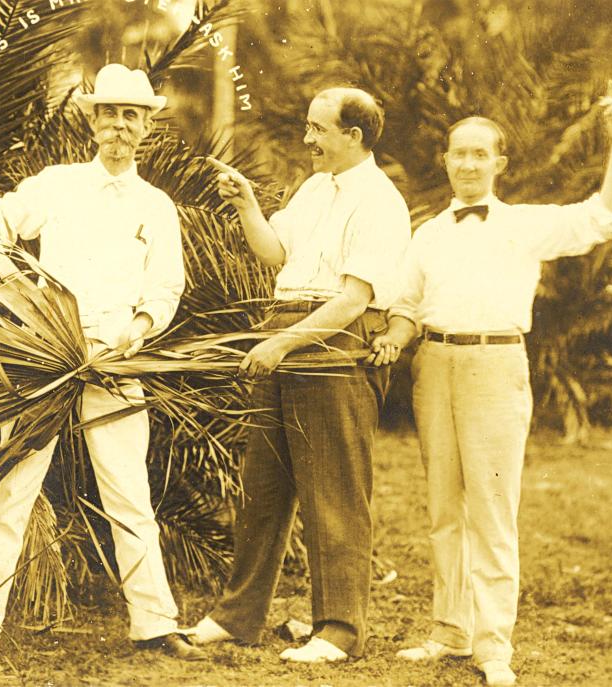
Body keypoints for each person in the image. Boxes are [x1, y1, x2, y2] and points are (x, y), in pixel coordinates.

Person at [368, 88, 612, 686]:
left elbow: (603, 216)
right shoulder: (429, 232)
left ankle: (493, 646)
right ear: (446, 160)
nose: (467, 164)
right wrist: (393, 339)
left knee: (491, 509)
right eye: (459, 153)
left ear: (499, 164)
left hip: (495, 367)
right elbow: (407, 304)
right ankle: (450, 630)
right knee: (442, 508)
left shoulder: (524, 225)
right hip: (433, 366)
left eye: (480, 154)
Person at [0, 63, 202, 661]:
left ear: (147, 126)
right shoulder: (57, 185)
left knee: (128, 491)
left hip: (115, 358)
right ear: (92, 120)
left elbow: (165, 289)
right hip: (49, 356)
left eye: (132, 115)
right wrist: (18, 282)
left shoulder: (156, 205)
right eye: (110, 113)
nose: (120, 125)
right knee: (12, 490)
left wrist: (137, 330)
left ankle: (155, 623)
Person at [187, 87, 411, 663]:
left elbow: (353, 300)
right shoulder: (314, 188)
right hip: (284, 330)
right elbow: (274, 254)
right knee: (264, 485)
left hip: (332, 341)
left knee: (334, 489)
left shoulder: (382, 202)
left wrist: (282, 343)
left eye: (317, 129)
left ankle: (338, 629)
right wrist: (244, 206)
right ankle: (237, 616)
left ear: (353, 136)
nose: (307, 139)